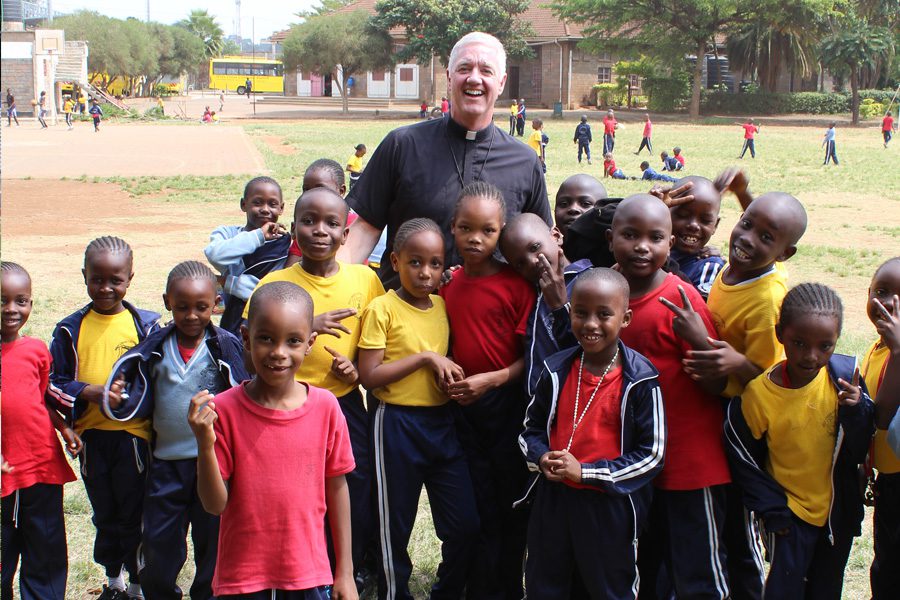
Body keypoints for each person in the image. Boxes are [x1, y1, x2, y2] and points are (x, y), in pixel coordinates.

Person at [244, 188, 384, 590]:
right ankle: (299, 570)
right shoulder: (274, 285)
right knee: (296, 492)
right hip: (285, 411)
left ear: (345, 235)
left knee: (352, 486)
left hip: (343, 406)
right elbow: (251, 358)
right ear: (292, 229)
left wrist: (356, 370)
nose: (319, 231)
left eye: (331, 224)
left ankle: (348, 568)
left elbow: (378, 345)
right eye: (308, 221)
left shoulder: (365, 280)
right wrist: (308, 325)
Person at [341, 32, 551, 290]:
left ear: (501, 82)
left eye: (486, 70)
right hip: (405, 316)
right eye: (464, 68)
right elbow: (365, 229)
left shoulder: (525, 161)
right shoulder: (402, 145)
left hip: (488, 322)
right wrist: (331, 289)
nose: (474, 77)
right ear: (450, 77)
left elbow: (542, 245)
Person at [188, 281, 357, 599]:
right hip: (243, 579)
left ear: (310, 343)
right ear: (245, 338)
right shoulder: (224, 409)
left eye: (292, 341)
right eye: (266, 339)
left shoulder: (325, 407)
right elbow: (214, 505)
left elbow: (338, 488)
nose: (279, 353)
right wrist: (204, 442)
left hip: (308, 575)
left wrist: (344, 572)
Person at [608, 194, 731, 599]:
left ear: (671, 243)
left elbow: (715, 382)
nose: (642, 246)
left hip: (691, 463)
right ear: (611, 240)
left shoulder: (680, 299)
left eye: (655, 237)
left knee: (699, 571)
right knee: (650, 564)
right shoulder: (608, 298)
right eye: (630, 235)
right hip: (640, 462)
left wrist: (701, 343)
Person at [102, 261, 247, 600]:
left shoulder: (224, 346)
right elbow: (134, 393)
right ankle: (161, 592)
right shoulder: (154, 348)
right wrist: (119, 396)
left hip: (213, 464)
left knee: (213, 545)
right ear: (167, 302)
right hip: (166, 465)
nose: (192, 315)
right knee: (159, 547)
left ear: (217, 304)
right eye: (182, 307)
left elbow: (244, 390)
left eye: (202, 307)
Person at [687, 192, 808, 598]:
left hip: (742, 421)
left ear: (784, 254)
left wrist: (737, 363)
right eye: (747, 223)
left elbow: (774, 376)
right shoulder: (730, 270)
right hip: (713, 403)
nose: (748, 238)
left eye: (765, 237)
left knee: (739, 522)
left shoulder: (766, 300)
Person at [519, 267, 664, 599]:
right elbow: (530, 430)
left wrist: (585, 472)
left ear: (625, 318)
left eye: (604, 314)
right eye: (581, 313)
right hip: (554, 500)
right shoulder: (555, 369)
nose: (591, 324)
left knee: (608, 587)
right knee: (544, 582)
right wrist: (541, 457)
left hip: (608, 505)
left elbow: (653, 455)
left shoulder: (641, 379)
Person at [724, 283, 873, 599]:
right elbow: (743, 461)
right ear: (780, 334)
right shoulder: (759, 396)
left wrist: (857, 408)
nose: (811, 356)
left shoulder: (846, 380)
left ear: (836, 342)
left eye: (825, 346)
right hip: (788, 517)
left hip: (836, 516)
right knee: (784, 590)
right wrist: (773, 511)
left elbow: (860, 446)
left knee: (826, 589)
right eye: (799, 343)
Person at [357, 218, 480, 600]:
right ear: (395, 261)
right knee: (392, 527)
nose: (425, 272)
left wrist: (450, 377)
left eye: (435, 263)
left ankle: (446, 591)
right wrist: (426, 358)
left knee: (465, 525)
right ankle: (395, 593)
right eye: (415, 262)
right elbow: (369, 376)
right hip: (394, 424)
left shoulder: (444, 306)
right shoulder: (383, 308)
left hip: (442, 423)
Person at [47, 236, 160, 600]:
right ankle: (114, 582)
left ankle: (139, 584)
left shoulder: (144, 327)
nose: (106, 288)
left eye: (116, 280)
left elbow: (157, 379)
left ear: (130, 278)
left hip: (133, 439)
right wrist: (90, 392)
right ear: (84, 276)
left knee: (134, 513)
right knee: (105, 513)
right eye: (98, 279)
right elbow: (54, 384)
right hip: (92, 438)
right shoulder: (70, 329)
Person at [439, 183, 536, 599]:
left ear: (501, 233)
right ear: (453, 228)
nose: (475, 239)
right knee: (476, 505)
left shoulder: (516, 286)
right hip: (463, 413)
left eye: (488, 231)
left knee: (510, 504)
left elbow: (530, 359)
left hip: (506, 408)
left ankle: (508, 588)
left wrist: (492, 379)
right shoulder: (448, 285)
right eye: (465, 228)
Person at [1, 261, 81, 600]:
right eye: (2, 300)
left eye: (21, 300)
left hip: (41, 468)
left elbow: (40, 399)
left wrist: (64, 429)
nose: (11, 309)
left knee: (45, 553)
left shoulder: (35, 351)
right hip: (5, 476)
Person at [499, 213, 593, 396]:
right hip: (537, 406)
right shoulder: (533, 291)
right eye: (520, 264)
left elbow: (591, 351)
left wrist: (560, 307)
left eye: (535, 247)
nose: (532, 261)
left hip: (572, 402)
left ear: (556, 236)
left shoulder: (589, 284)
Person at [204, 176, 290, 337]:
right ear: (244, 204)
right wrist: (259, 236)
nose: (265, 209)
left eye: (272, 204)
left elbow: (267, 291)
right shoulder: (227, 234)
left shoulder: (285, 245)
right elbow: (215, 255)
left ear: (281, 208)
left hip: (268, 321)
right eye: (257, 203)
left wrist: (227, 283)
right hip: (232, 320)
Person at [862, 257, 900, 599]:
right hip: (888, 480)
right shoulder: (876, 349)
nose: (889, 303)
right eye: (882, 291)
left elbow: (884, 415)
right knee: (886, 563)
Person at [668, 175, 725, 299]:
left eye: (705, 220)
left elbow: (694, 310)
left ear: (715, 225)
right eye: (683, 215)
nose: (694, 226)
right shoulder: (647, 248)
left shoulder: (708, 266)